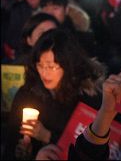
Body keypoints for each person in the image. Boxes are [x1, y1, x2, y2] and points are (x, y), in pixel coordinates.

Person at [5, 29, 105, 160]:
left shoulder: (88, 97)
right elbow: (10, 142)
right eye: (40, 65)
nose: (45, 73)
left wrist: (48, 136)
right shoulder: (28, 93)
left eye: (51, 66)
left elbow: (93, 150)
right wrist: (24, 152)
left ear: (68, 65)